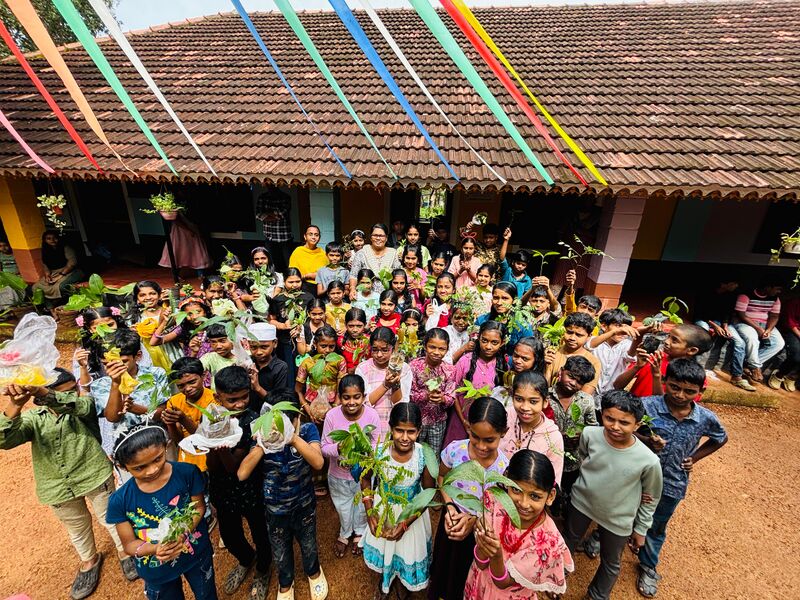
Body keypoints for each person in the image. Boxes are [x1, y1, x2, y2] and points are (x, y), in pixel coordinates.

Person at [1, 370, 137, 600]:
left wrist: (47, 394)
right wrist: (15, 404)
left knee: (111, 516)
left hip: (93, 473)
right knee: (76, 528)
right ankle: (89, 560)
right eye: (62, 392)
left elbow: (82, 406)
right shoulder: (34, 419)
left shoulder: (83, 406)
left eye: (73, 389)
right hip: (56, 487)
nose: (73, 394)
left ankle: (125, 551)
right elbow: (4, 440)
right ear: (40, 399)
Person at [636, 359, 728, 598]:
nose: (680, 395)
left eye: (689, 391)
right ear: (665, 382)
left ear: (701, 392)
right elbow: (629, 428)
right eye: (674, 387)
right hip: (637, 476)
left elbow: (720, 438)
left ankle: (647, 566)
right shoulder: (647, 405)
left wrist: (695, 458)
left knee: (657, 525)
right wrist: (647, 441)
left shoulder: (705, 418)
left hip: (673, 481)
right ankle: (598, 538)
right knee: (621, 510)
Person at [563, 390, 663, 600]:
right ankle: (558, 574)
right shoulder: (590, 434)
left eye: (624, 423)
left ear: (637, 425)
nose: (615, 426)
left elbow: (651, 496)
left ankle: (597, 595)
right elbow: (582, 458)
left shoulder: (648, 460)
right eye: (609, 418)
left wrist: (641, 528)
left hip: (618, 517)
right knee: (570, 539)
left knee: (610, 561)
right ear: (602, 415)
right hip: (581, 503)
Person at [106, 424, 217, 600]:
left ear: (166, 446)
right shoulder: (119, 500)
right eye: (139, 467)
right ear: (122, 466)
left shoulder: (188, 473)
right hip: (157, 569)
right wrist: (155, 548)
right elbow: (129, 545)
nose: (152, 470)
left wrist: (183, 531)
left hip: (196, 557)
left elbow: (198, 507)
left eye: (158, 459)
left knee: (206, 594)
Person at [237, 389, 329, 600]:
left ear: (297, 417)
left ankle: (313, 571)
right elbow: (242, 474)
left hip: (304, 505)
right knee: (280, 550)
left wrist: (293, 438)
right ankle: (285, 582)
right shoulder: (263, 435)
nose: (279, 429)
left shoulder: (306, 431)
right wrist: (262, 444)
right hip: (275, 510)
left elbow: (318, 462)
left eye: (285, 423)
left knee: (308, 544)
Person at [464, 450, 573, 600]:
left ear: (550, 496)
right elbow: (481, 564)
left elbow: (502, 583)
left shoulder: (548, 543)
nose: (523, 503)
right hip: (478, 584)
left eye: (534, 496)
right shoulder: (494, 501)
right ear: (506, 480)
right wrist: (483, 546)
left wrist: (496, 556)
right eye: (516, 489)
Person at [429, 397, 509, 600]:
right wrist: (450, 508)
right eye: (475, 437)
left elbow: (498, 507)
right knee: (442, 566)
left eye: (489, 440)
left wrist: (473, 519)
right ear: (468, 427)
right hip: (452, 521)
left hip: (479, 532)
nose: (481, 446)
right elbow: (442, 477)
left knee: (464, 573)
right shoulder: (456, 450)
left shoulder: (503, 468)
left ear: (503, 434)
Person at [207, 367, 272, 600]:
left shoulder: (253, 421)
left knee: (260, 532)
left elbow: (235, 466)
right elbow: (211, 464)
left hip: (250, 489)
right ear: (217, 398)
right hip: (222, 490)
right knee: (230, 536)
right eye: (231, 400)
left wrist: (220, 445)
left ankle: (263, 569)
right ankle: (246, 559)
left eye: (243, 397)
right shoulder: (211, 416)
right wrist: (212, 443)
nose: (238, 404)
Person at [362, 403, 435, 599]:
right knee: (386, 547)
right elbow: (365, 477)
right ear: (391, 428)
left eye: (411, 432)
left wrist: (404, 524)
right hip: (382, 510)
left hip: (411, 514)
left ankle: (402, 581)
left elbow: (427, 494)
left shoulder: (423, 456)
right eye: (399, 431)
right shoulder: (379, 451)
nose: (404, 437)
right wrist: (370, 510)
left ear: (419, 431)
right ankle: (386, 579)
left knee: (405, 551)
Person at [321, 375, 381, 558]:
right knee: (342, 506)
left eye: (357, 397)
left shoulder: (372, 415)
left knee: (363, 505)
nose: (352, 402)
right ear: (339, 397)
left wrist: (363, 456)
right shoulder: (332, 416)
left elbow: (376, 446)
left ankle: (360, 531)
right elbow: (324, 447)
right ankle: (345, 532)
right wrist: (339, 448)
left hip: (363, 475)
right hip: (337, 475)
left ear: (364, 396)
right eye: (346, 397)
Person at [91, 329, 169, 457]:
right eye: (106, 364)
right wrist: (115, 384)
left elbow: (162, 412)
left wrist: (135, 408)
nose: (114, 368)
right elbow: (112, 417)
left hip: (158, 441)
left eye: (123, 362)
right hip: (127, 446)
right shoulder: (100, 384)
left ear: (138, 356)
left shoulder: (155, 374)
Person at [444, 320, 506, 446]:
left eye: (494, 342)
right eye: (484, 340)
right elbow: (454, 391)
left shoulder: (502, 367)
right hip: (460, 418)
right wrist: (463, 420)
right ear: (478, 338)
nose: (488, 346)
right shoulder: (465, 361)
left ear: (502, 343)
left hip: (486, 424)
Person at [614, 323, 712, 398]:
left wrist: (657, 376)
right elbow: (617, 385)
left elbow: (674, 405)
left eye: (674, 340)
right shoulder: (654, 357)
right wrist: (637, 366)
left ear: (692, 350)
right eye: (668, 336)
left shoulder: (694, 376)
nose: (666, 341)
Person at [500, 370, 564, 484]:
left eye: (533, 401)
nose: (525, 407)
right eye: (519, 399)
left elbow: (553, 482)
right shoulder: (505, 417)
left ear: (545, 402)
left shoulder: (553, 437)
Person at [548, 356, 598, 499]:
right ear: (562, 371)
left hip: (573, 461)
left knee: (569, 494)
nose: (573, 383)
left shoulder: (586, 401)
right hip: (548, 457)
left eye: (579, 382)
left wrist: (583, 435)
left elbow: (593, 428)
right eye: (571, 376)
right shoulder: (545, 396)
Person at [409, 328, 457, 456]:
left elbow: (451, 397)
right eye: (432, 347)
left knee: (433, 456)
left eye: (441, 349)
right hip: (416, 420)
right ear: (425, 346)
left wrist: (442, 399)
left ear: (447, 349)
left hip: (438, 421)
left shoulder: (449, 370)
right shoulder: (414, 366)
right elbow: (409, 394)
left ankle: (430, 476)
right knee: (414, 452)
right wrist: (425, 396)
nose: (436, 352)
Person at [161, 357, 215, 471]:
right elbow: (178, 440)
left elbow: (206, 438)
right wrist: (169, 423)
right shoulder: (174, 401)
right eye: (181, 386)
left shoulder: (214, 400)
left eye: (192, 382)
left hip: (209, 460)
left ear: (204, 376)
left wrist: (183, 419)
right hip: (187, 460)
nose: (188, 388)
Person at [355, 327, 412, 435]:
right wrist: (385, 386)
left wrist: (395, 385)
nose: (379, 355)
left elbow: (401, 404)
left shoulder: (404, 369)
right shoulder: (363, 369)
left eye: (385, 350)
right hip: (369, 426)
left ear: (393, 348)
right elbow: (364, 403)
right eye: (375, 350)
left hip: (394, 427)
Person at [730, 279, 785, 389]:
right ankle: (755, 367)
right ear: (768, 287)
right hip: (745, 322)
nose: (778, 292)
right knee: (752, 338)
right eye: (777, 289)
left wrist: (769, 329)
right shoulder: (746, 295)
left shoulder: (775, 299)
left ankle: (748, 365)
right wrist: (757, 328)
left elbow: (774, 316)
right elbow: (741, 314)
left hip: (764, 324)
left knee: (779, 343)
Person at [268, 268, 314, 384]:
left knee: (306, 369)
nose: (294, 285)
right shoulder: (278, 300)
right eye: (291, 282)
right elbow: (271, 320)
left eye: (297, 281)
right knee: (290, 371)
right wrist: (283, 325)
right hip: (286, 341)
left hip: (305, 341)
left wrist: (301, 329)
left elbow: (314, 318)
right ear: (284, 282)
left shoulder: (308, 298)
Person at [297, 325, 347, 424]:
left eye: (331, 346)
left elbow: (341, 388)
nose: (327, 350)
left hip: (334, 403)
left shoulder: (339, 361)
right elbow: (298, 390)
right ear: (315, 344)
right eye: (323, 346)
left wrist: (334, 408)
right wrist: (307, 408)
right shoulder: (307, 362)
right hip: (311, 403)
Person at [544, 312, 602, 395]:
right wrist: (546, 366)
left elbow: (584, 395)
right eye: (569, 332)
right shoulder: (552, 353)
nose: (572, 338)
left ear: (589, 336)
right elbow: (544, 388)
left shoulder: (593, 362)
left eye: (579, 335)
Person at [590, 308, 639, 399]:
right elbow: (590, 345)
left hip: (612, 395)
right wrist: (614, 332)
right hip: (590, 392)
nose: (623, 331)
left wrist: (639, 335)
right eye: (618, 326)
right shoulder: (596, 341)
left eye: (626, 327)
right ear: (604, 326)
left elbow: (630, 355)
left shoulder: (627, 345)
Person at [32, 229, 85, 311]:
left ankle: (74, 307)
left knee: (61, 286)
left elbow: (72, 263)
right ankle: (51, 310)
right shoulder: (45, 250)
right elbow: (45, 265)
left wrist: (60, 276)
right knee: (36, 287)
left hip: (71, 271)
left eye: (54, 238)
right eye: (48, 238)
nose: (52, 240)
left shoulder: (66, 247)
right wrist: (47, 275)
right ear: (45, 240)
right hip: (54, 272)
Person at [247, 322, 289, 413]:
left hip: (270, 415)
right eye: (253, 347)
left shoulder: (280, 367)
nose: (258, 352)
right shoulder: (247, 363)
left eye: (264, 347)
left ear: (275, 343)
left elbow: (278, 402)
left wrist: (258, 388)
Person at [349, 224, 400, 300]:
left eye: (381, 236)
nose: (378, 238)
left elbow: (397, 275)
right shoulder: (361, 253)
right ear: (370, 237)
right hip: (365, 296)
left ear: (386, 238)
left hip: (387, 299)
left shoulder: (393, 253)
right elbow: (354, 275)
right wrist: (352, 289)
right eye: (375, 235)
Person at [476, 281, 534, 347]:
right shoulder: (482, 320)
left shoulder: (522, 326)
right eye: (496, 298)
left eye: (505, 298)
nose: (499, 302)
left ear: (514, 300)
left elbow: (529, 349)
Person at [256, 188, 293, 273]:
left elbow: (281, 214)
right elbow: (258, 215)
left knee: (289, 262)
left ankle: (290, 278)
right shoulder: (262, 197)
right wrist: (274, 215)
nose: (269, 185)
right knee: (270, 262)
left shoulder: (285, 197)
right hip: (269, 236)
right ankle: (273, 280)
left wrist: (267, 213)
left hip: (284, 236)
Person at [769, 295, 800, 391]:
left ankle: (792, 377)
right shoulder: (794, 302)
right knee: (796, 357)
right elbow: (789, 322)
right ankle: (779, 374)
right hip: (792, 331)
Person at [289, 225, 327, 296]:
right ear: (305, 236)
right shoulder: (298, 251)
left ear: (319, 238)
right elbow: (292, 273)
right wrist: (307, 276)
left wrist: (315, 276)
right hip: (303, 285)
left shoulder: (322, 253)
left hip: (320, 286)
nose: (313, 237)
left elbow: (327, 273)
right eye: (310, 234)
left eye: (316, 235)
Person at [199, 323, 236, 391]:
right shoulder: (210, 357)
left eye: (222, 341)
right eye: (213, 342)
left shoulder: (243, 358)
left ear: (232, 339)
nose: (218, 346)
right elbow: (196, 368)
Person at [497, 228, 532, 298]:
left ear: (526, 266)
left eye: (523, 265)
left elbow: (527, 296)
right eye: (518, 263)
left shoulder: (527, 280)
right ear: (513, 262)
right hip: (503, 302)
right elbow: (502, 258)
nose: (520, 266)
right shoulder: (508, 271)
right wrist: (506, 240)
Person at [338, 307, 370, 374]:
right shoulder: (340, 341)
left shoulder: (369, 341)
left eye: (359, 326)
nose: (355, 330)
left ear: (365, 324)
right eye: (351, 326)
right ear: (345, 325)